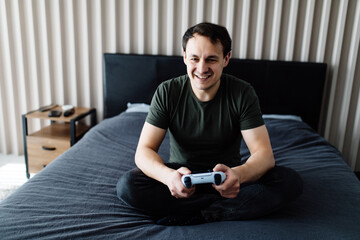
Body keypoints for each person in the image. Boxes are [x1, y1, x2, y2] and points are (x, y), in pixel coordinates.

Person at [116, 22, 303, 225]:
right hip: (182, 174)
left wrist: (238, 176)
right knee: (128, 185)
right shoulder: (167, 92)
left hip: (227, 175)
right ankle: (222, 209)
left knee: (289, 182)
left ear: (226, 59)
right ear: (185, 57)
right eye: (195, 58)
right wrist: (169, 177)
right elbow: (144, 151)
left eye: (211, 59)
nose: (202, 68)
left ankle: (197, 214)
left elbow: (264, 155)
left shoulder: (242, 93)